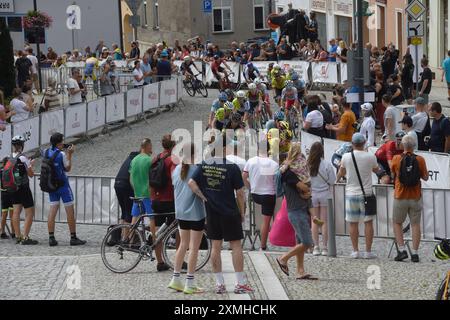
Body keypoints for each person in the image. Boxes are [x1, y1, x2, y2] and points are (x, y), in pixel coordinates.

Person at [188, 136, 253, 294]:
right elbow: (239, 193)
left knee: (215, 247)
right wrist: (242, 212)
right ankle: (240, 283)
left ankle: (219, 284)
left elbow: (191, 182)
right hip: (230, 211)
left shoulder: (204, 165)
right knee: (236, 246)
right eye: (228, 147)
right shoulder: (231, 167)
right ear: (223, 149)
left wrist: (204, 197)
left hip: (212, 212)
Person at [168, 143, 207, 294]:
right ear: (194, 154)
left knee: (182, 245)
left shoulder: (176, 170)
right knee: (194, 248)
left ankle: (176, 278)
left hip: (181, 212)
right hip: (195, 213)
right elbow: (199, 189)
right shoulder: (197, 170)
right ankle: (189, 282)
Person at [275, 142, 318, 280]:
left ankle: (300, 271)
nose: (302, 162)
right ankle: (283, 258)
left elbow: (307, 193)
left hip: (301, 210)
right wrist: (307, 189)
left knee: (300, 242)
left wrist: (313, 215)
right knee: (307, 243)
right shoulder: (289, 174)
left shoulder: (299, 173)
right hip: (296, 211)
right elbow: (305, 189)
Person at [336, 133, 379, 259]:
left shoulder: (346, 156)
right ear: (364, 143)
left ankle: (355, 250)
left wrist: (337, 179)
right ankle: (368, 251)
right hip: (366, 193)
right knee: (368, 222)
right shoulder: (370, 157)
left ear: (352, 143)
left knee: (353, 223)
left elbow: (341, 172)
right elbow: (376, 170)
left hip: (351, 193)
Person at [391, 135, 428, 263]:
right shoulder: (420, 160)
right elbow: (426, 177)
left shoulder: (396, 158)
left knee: (397, 222)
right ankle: (415, 253)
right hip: (415, 196)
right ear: (414, 146)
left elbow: (393, 174)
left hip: (400, 196)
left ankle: (402, 250)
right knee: (415, 224)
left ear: (403, 145)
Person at [45, 133, 86, 246]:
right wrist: (70, 154)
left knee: (53, 210)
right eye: (62, 141)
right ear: (59, 143)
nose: (63, 143)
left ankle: (51, 237)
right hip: (63, 185)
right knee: (70, 210)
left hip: (51, 184)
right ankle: (73, 237)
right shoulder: (61, 154)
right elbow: (67, 168)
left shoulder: (46, 152)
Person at [242, 142, 278, 251]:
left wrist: (250, 186)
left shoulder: (251, 161)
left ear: (258, 149)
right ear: (268, 150)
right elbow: (276, 181)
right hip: (269, 194)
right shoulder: (273, 164)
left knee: (259, 218)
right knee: (266, 221)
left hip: (255, 194)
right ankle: (263, 246)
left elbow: (244, 176)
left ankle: (258, 236)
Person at [151, 135, 178, 272]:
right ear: (173, 146)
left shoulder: (155, 158)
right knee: (178, 229)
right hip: (169, 199)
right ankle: (179, 260)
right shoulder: (172, 160)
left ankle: (160, 262)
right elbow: (175, 180)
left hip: (155, 199)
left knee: (157, 231)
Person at [9, 136, 38, 245]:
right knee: (30, 212)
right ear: (22, 145)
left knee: (16, 211)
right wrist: (31, 165)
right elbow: (31, 174)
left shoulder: (9, 157)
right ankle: (25, 237)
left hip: (13, 188)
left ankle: (18, 236)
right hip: (23, 188)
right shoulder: (23, 158)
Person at [308, 142, 336, 256]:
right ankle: (325, 247)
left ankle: (316, 247)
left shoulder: (308, 165)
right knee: (324, 222)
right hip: (325, 194)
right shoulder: (326, 164)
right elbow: (332, 180)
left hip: (313, 194)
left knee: (314, 221)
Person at [114, 151, 139, 226]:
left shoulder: (127, 160)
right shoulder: (135, 161)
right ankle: (126, 236)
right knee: (129, 212)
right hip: (125, 184)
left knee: (124, 212)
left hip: (117, 184)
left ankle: (121, 234)